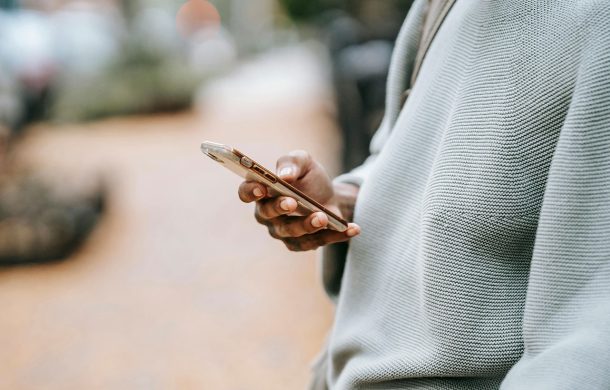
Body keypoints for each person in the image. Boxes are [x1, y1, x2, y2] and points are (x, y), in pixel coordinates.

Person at [238, 0, 610, 388]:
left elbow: (593, 325)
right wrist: (343, 201)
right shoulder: (437, 5)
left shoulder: (596, 20)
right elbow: (406, 157)